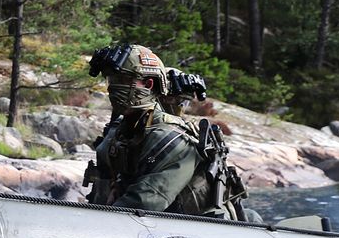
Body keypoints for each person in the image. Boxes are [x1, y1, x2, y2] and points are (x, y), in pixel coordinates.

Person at [82, 43, 250, 219]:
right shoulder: (118, 132)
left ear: (149, 84)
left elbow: (142, 203)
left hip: (195, 232)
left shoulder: (173, 141)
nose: (113, 88)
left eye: (124, 81)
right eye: (112, 80)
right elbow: (101, 193)